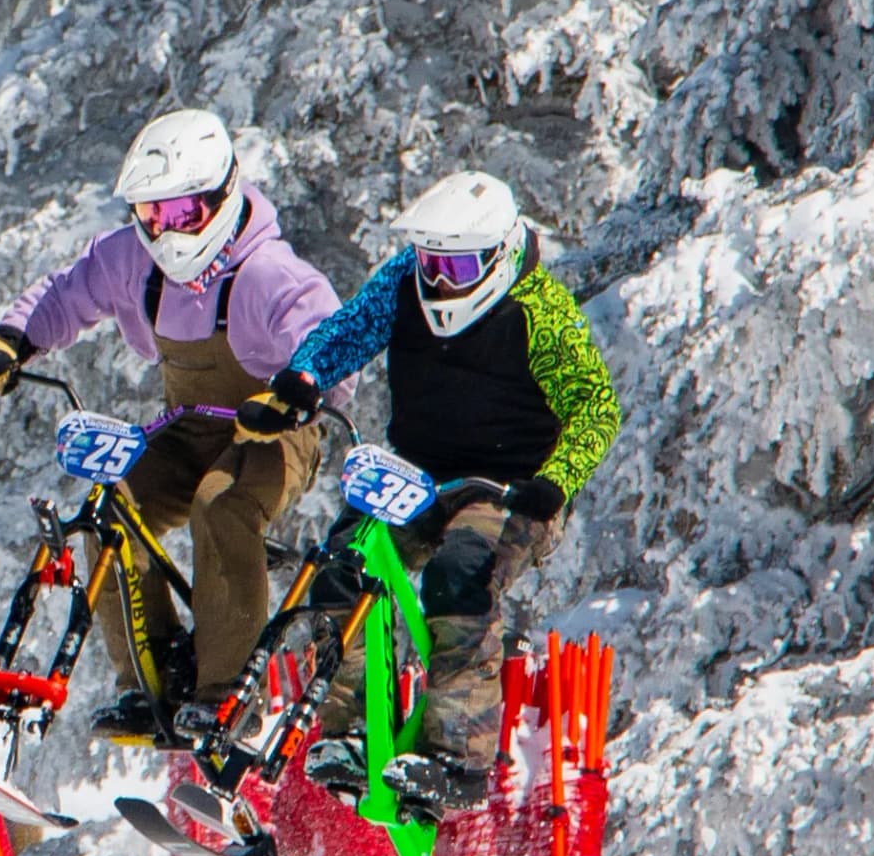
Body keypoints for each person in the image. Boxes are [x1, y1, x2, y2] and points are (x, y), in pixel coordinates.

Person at [239, 170, 621, 819]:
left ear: (498, 256)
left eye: (459, 264)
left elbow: (596, 407)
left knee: (459, 575)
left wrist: (553, 484)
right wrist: (304, 376)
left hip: (510, 489)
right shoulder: (403, 284)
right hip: (418, 473)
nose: (440, 278)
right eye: (430, 260)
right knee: (342, 564)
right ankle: (352, 730)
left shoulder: (538, 311)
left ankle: (456, 760)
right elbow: (348, 330)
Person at [0, 110, 341, 738]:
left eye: (183, 214)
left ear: (222, 195)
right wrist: (13, 337)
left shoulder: (269, 274)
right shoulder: (134, 262)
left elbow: (326, 336)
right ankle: (152, 680)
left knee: (220, 506)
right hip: (189, 427)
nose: (165, 232)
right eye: (151, 215)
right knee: (114, 504)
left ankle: (226, 693)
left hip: (276, 435)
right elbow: (67, 292)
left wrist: (300, 389)